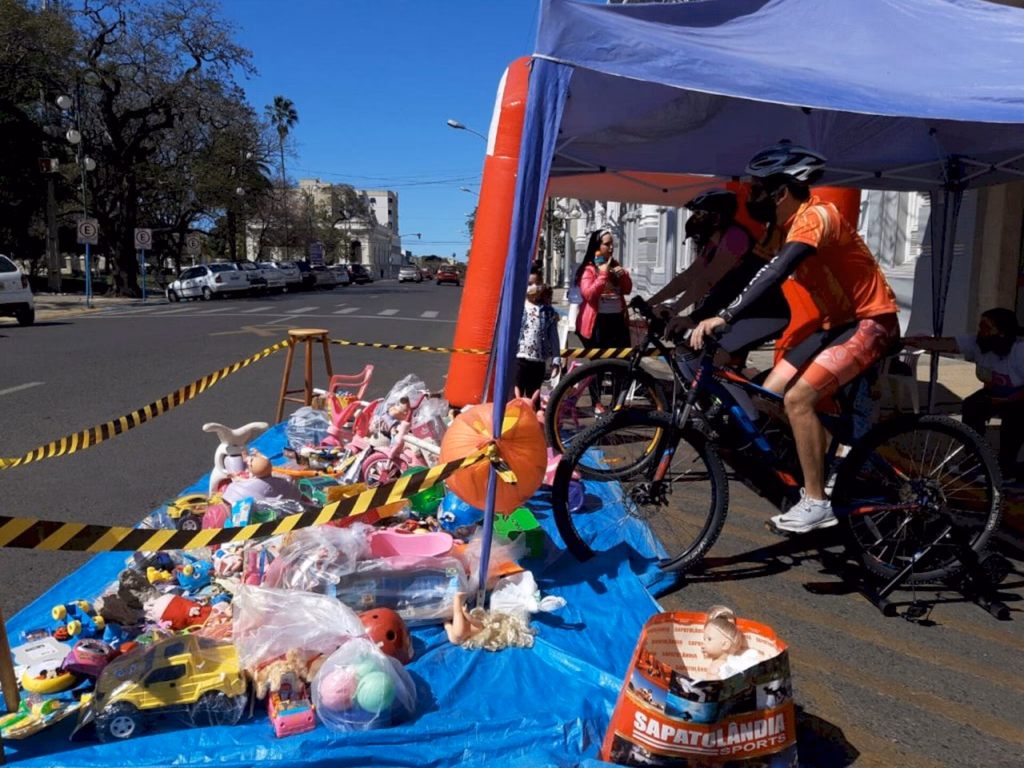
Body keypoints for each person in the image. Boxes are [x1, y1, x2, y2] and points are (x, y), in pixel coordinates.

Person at [691, 142, 900, 534]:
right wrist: (700, 313)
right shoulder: (782, 228)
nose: (751, 196)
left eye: (757, 188)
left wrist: (726, 316)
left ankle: (817, 500)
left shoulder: (817, 216)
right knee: (768, 395)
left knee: (797, 399)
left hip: (871, 321)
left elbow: (776, 272)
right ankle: (830, 463)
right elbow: (746, 272)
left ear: (781, 191)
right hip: (836, 325)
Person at [648, 189, 790, 367]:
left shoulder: (735, 237)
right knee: (688, 352)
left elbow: (708, 279)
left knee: (707, 361)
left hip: (764, 313)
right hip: (738, 312)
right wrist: (650, 302)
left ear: (716, 217)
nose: (694, 219)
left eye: (699, 213)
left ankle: (739, 396)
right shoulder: (713, 242)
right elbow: (688, 277)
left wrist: (678, 310)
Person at [907, 307, 1024, 480]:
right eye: (980, 327)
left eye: (986, 328)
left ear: (1001, 333)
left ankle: (1004, 469)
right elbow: (944, 343)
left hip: (1018, 397)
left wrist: (1009, 399)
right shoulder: (976, 343)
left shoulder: (1019, 351)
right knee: (971, 406)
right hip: (994, 394)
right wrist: (905, 341)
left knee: (1014, 419)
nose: (980, 332)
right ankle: (974, 458)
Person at [574, 229, 633, 352]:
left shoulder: (615, 265)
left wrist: (623, 276)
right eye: (606, 244)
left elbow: (627, 290)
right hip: (598, 322)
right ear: (597, 246)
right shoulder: (589, 269)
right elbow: (589, 294)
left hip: (618, 320)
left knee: (621, 361)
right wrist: (603, 274)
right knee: (602, 363)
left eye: (612, 244)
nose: (611, 248)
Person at [515, 271, 562, 401]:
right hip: (519, 358)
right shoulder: (517, 308)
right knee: (516, 394)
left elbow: (553, 337)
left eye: (537, 283)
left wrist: (556, 360)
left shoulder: (548, 312)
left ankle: (534, 418)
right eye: (529, 284)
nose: (534, 287)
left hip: (539, 360)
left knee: (534, 394)